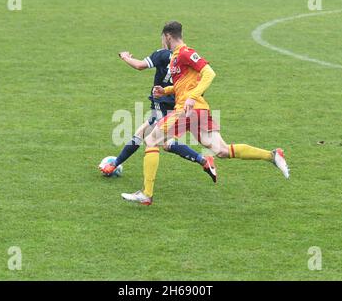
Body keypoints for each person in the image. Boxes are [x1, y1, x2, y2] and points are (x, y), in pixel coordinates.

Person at [121, 21, 289, 206]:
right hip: (198, 111)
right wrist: (166, 91)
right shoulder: (176, 57)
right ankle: (272, 155)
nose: (162, 42)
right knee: (222, 150)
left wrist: (192, 97)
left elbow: (209, 73)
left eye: (162, 38)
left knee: (151, 140)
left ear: (168, 36)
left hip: (188, 110)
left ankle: (146, 194)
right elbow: (186, 84)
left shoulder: (186, 52)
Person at [100, 36, 217, 182]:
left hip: (162, 101)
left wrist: (125, 57)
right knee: (151, 137)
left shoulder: (161, 54)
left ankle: (203, 161)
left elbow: (140, 65)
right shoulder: (186, 56)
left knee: (159, 140)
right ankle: (115, 163)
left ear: (167, 37)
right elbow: (199, 77)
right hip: (179, 102)